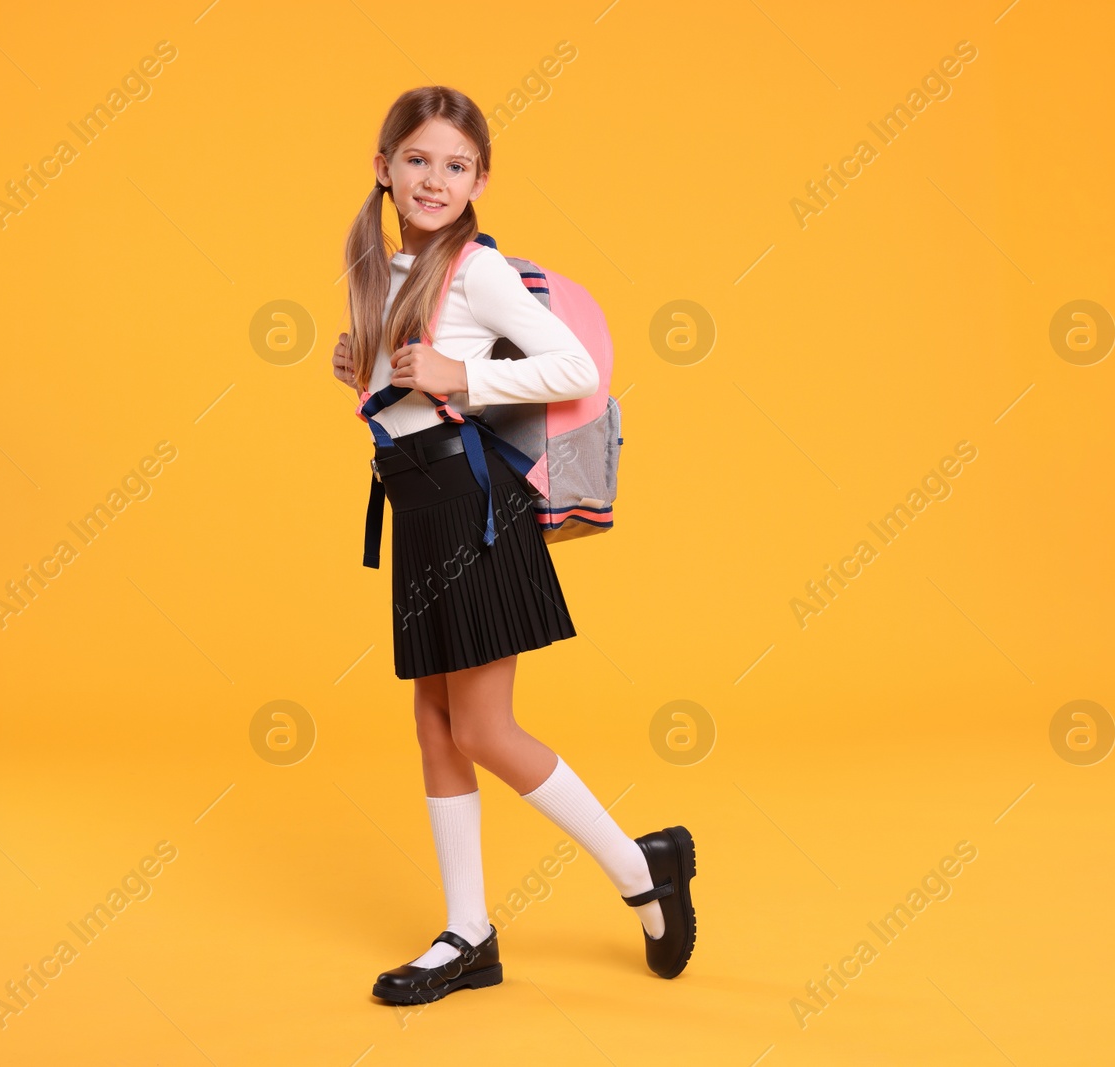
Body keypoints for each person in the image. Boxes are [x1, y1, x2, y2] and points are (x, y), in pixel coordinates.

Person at [334, 86, 697, 1006]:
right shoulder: (380, 265)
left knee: (483, 727)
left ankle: (640, 867)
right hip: (418, 503)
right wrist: (362, 368)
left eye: (455, 165)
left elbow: (574, 365)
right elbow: (405, 399)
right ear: (384, 166)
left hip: (472, 507)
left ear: (479, 181)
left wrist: (462, 374)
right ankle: (470, 934)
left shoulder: (476, 269)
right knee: (433, 723)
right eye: (417, 159)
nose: (434, 178)